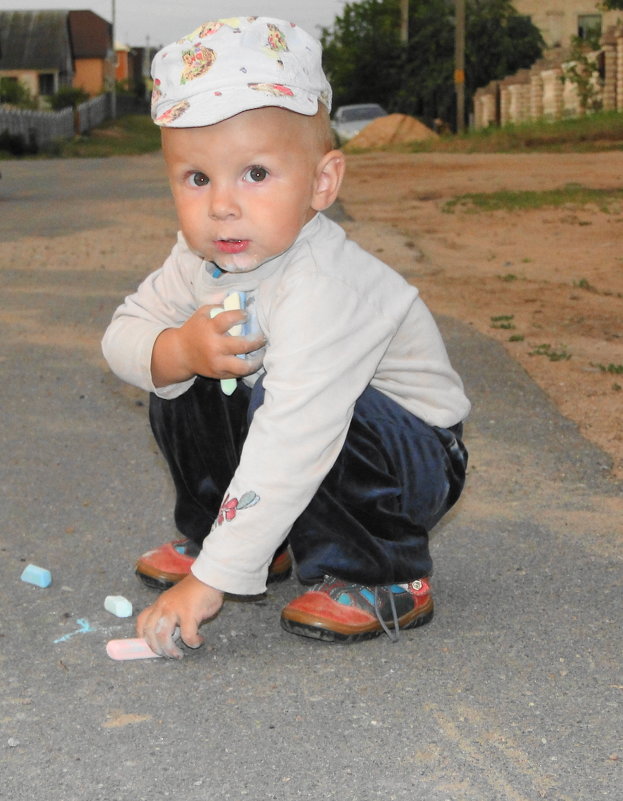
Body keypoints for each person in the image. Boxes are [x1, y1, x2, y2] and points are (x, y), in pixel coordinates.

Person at [102, 16, 470, 658]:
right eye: (197, 179)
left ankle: (384, 570)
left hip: (406, 455)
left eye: (255, 174)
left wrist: (210, 584)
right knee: (184, 371)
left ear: (321, 183)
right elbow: (123, 335)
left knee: (303, 407)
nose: (222, 206)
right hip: (300, 432)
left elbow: (300, 430)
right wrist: (177, 351)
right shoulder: (197, 261)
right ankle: (242, 537)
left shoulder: (324, 283)